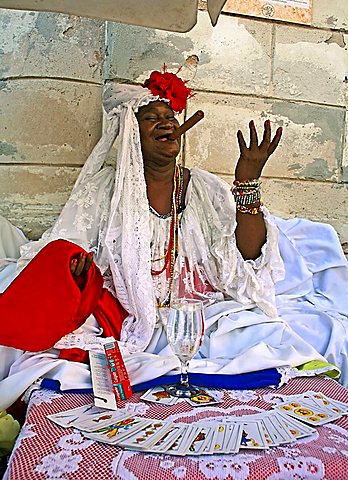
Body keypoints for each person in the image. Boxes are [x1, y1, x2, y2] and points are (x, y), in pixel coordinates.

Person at [0, 69, 347, 411]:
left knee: (266, 336)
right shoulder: (105, 188)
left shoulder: (205, 188)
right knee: (35, 348)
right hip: (124, 314)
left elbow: (246, 256)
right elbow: (64, 246)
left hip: (201, 311)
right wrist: (76, 268)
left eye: (170, 116)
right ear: (131, 134)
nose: (166, 123)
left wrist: (247, 182)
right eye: (151, 118)